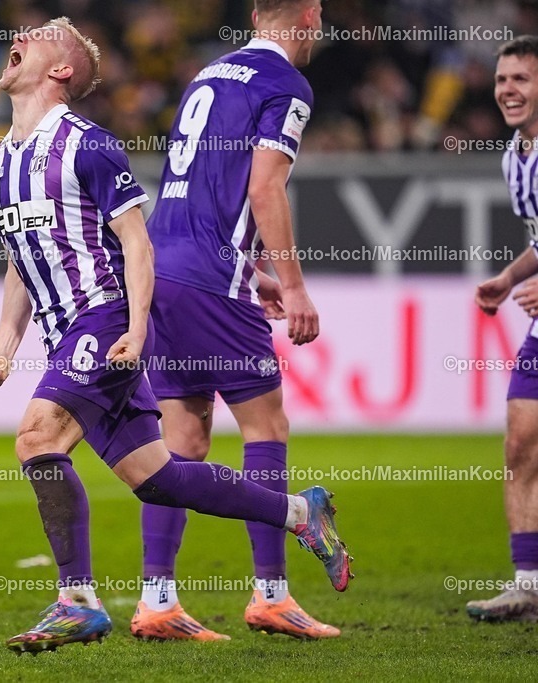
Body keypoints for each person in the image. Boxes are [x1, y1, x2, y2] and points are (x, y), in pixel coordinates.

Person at [0, 16, 352, 655]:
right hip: (79, 325)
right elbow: (22, 257)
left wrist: (138, 328)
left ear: (60, 70)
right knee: (163, 474)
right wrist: (4, 348)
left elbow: (136, 242)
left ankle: (78, 601)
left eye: (47, 32)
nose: (26, 33)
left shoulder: (88, 145)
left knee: (38, 436)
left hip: (104, 319)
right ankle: (298, 512)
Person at [134, 0, 340, 641]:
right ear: (308, 15)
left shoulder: (208, 75)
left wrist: (257, 275)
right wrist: (298, 288)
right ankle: (272, 594)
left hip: (159, 270)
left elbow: (197, 191)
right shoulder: (287, 83)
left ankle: (157, 600)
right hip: (210, 282)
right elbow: (262, 189)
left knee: (185, 442)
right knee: (265, 424)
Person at [470, 35, 538, 622]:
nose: (507, 91)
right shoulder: (515, 154)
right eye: (501, 81)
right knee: (520, 443)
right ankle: (529, 585)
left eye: (520, 79)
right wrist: (510, 276)